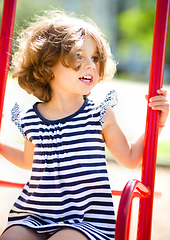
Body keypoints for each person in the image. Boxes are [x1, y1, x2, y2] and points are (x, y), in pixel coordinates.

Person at [0, 9, 169, 240]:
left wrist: (155, 127)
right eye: (79, 56)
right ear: (48, 64)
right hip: (36, 214)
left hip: (86, 220)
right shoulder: (32, 117)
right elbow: (29, 161)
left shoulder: (99, 115)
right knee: (12, 236)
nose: (90, 65)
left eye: (95, 58)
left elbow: (130, 159)